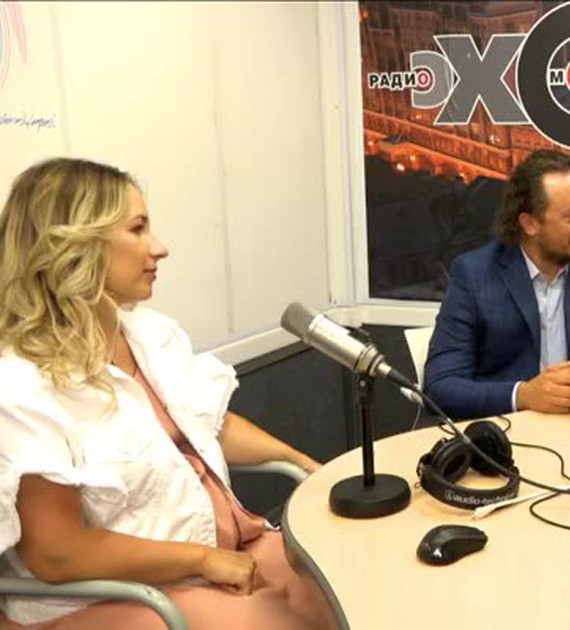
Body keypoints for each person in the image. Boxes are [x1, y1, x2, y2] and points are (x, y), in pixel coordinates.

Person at [0, 159, 332, 629]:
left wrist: (305, 464)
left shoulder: (147, 332)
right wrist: (201, 560)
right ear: (76, 245)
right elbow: (58, 552)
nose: (160, 248)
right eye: (138, 229)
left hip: (219, 553)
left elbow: (210, 425)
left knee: (341, 585)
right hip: (113, 597)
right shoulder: (22, 384)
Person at [423, 150, 570, 420]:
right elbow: (440, 386)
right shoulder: (475, 275)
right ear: (529, 224)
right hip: (510, 431)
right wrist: (524, 395)